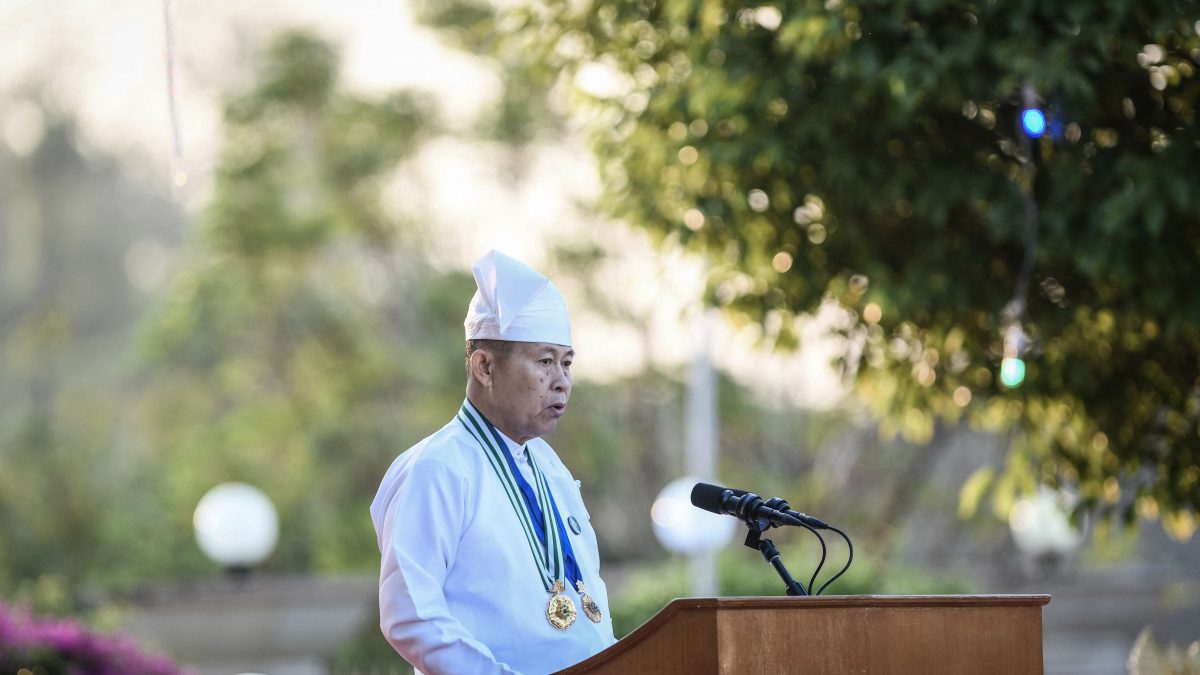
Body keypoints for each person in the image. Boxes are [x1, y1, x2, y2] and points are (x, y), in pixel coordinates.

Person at [371, 250, 616, 675]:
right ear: (484, 366)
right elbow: (410, 615)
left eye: (567, 363)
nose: (561, 380)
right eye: (544, 361)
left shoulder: (549, 468)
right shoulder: (439, 466)